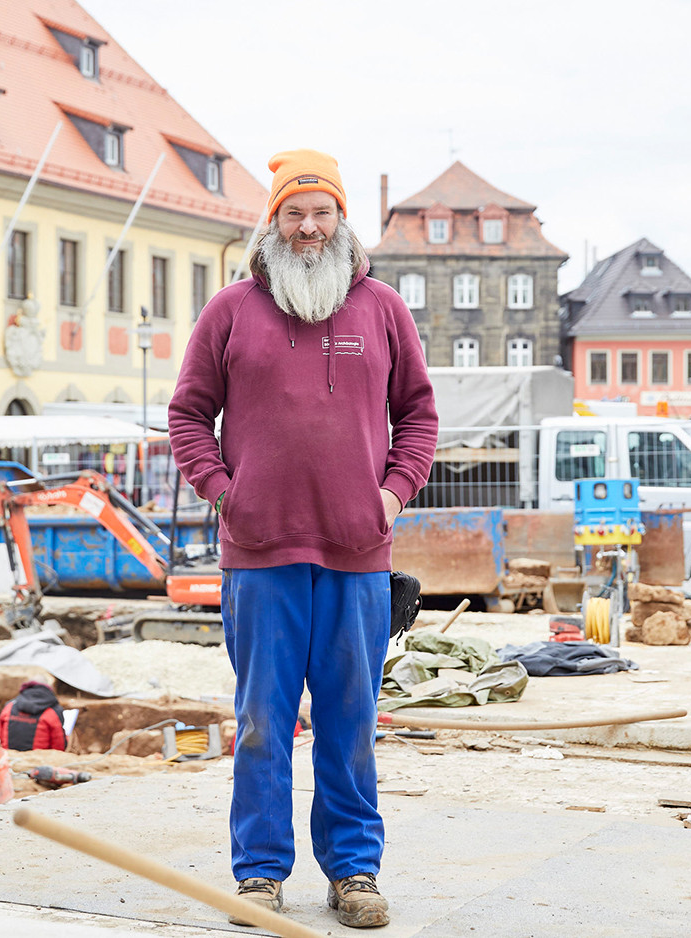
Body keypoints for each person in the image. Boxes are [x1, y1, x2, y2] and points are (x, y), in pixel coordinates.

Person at [168, 149, 438, 929]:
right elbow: (189, 414)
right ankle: (258, 875)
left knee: (350, 726)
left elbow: (418, 415)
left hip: (358, 555)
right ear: (274, 222)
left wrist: (391, 496)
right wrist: (225, 493)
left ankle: (353, 872)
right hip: (260, 556)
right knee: (262, 723)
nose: (309, 226)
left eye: (322, 213)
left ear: (341, 220)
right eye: (294, 213)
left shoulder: (382, 309)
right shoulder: (231, 311)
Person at [0, 680, 66, 751]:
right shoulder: (52, 712)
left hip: (9, 754)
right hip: (40, 756)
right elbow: (59, 744)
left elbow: (0, 736)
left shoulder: (9, 706)